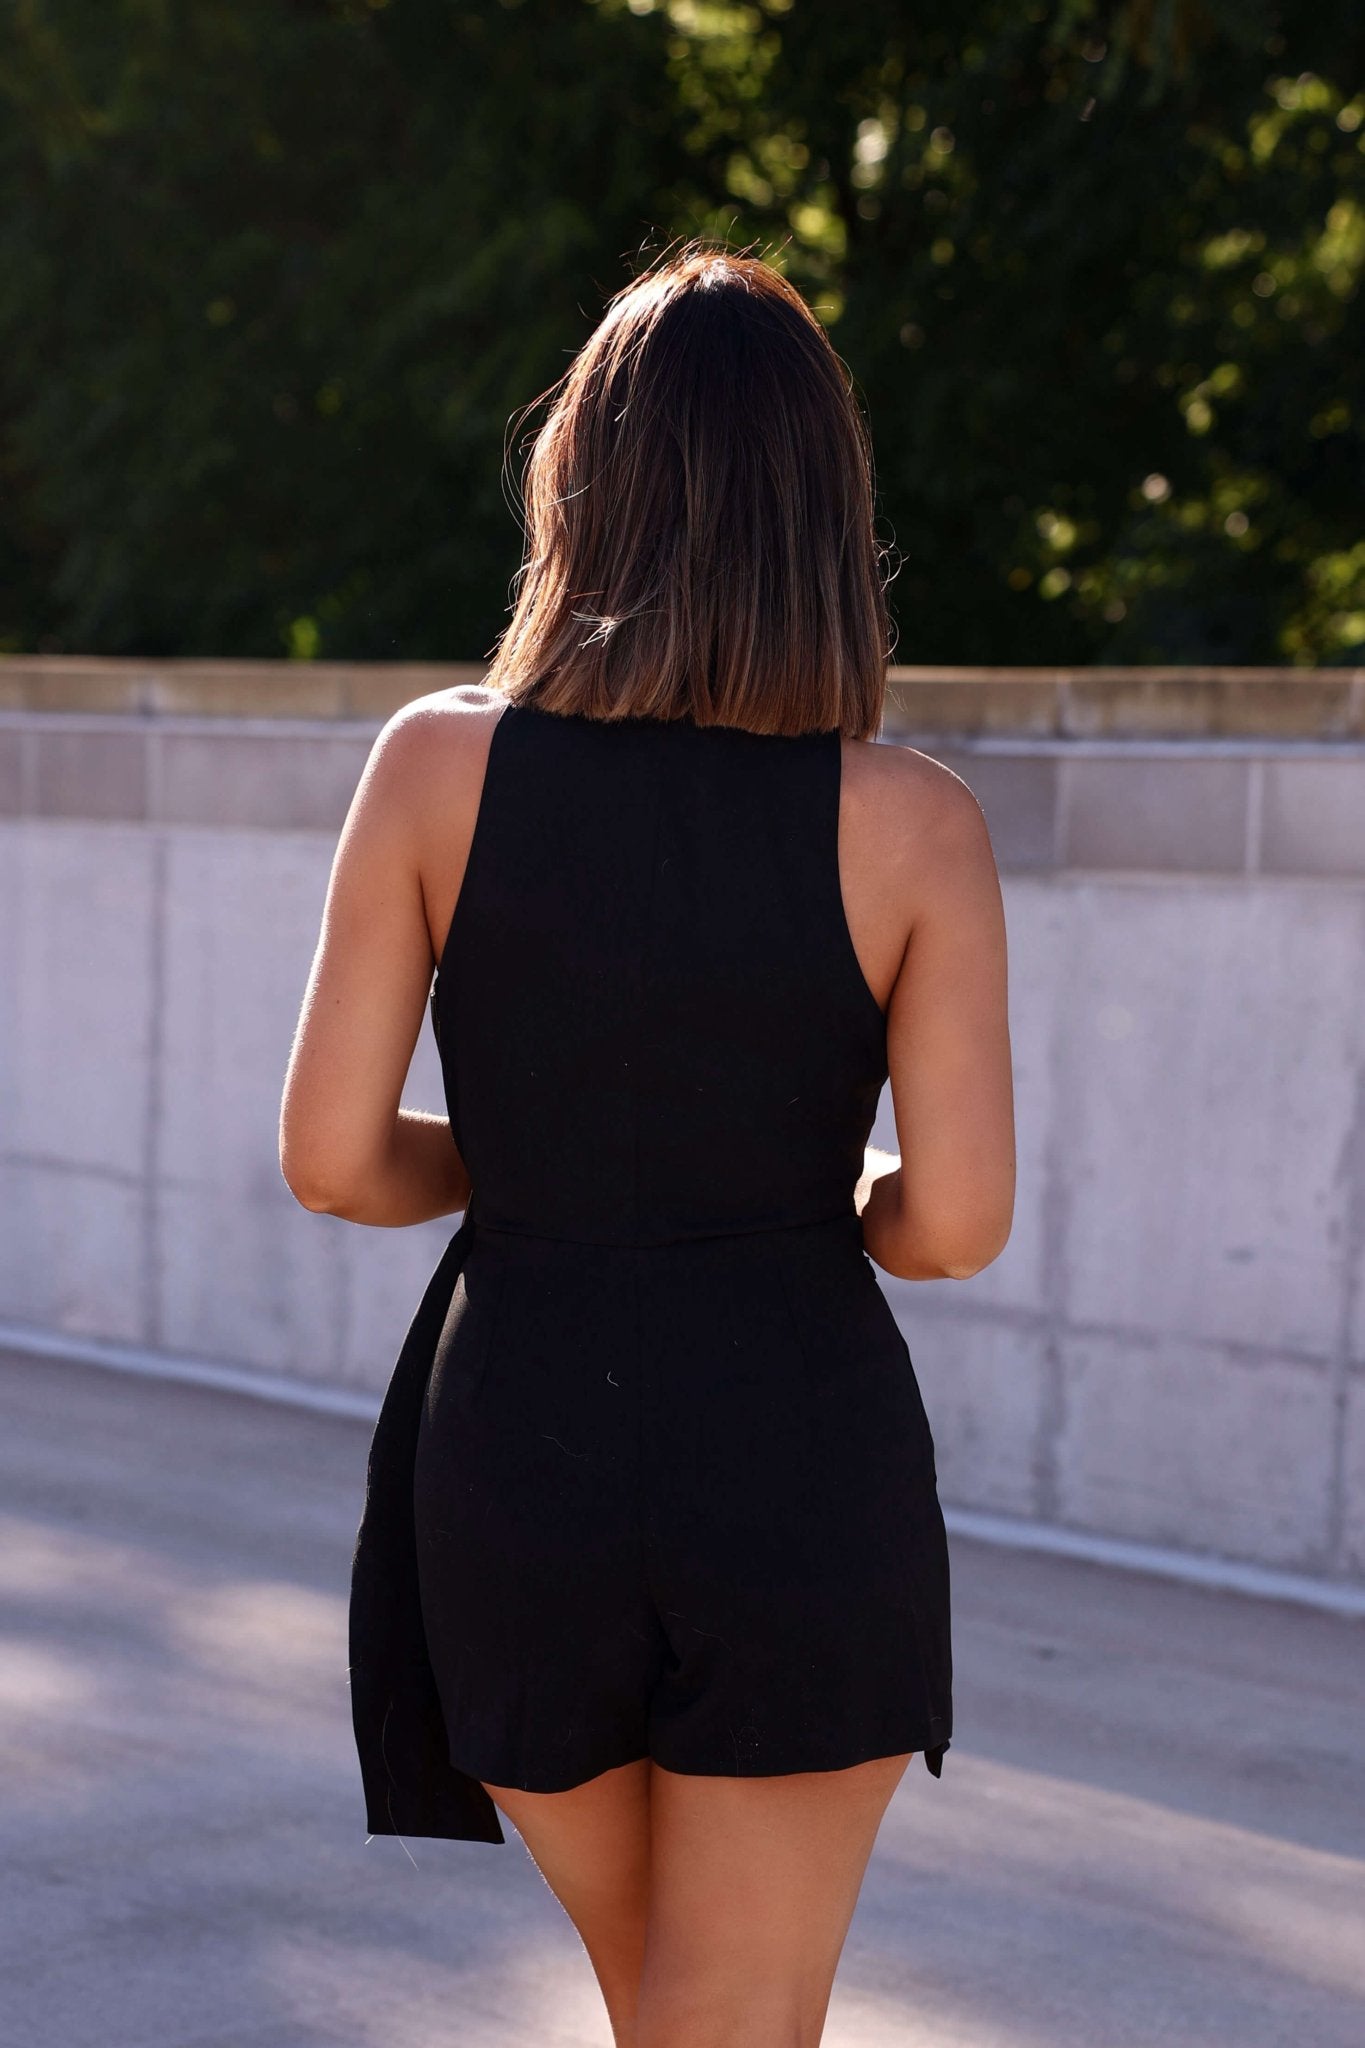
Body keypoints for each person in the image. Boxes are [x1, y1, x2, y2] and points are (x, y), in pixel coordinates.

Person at [279, 243, 1015, 2048]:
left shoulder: (433, 770)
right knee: (732, 2022)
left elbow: (330, 1157)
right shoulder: (911, 823)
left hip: (515, 1444)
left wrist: (527, 1166)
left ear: (578, 487)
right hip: (791, 1448)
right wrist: (789, 1194)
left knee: (665, 2013)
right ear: (821, 512)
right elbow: (954, 1225)